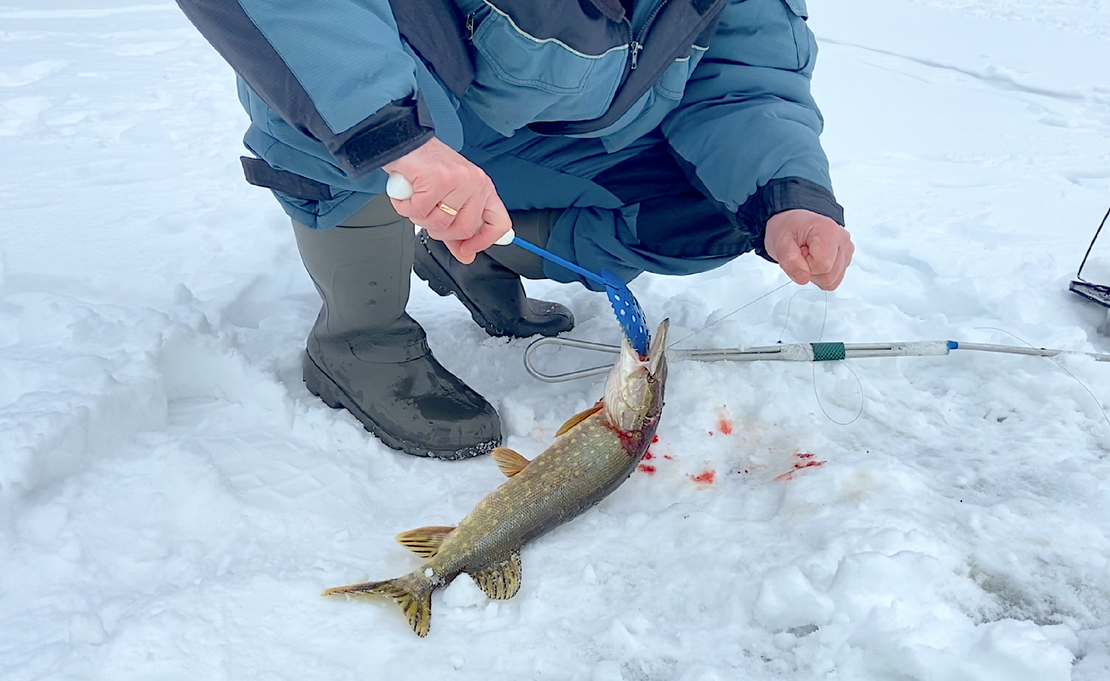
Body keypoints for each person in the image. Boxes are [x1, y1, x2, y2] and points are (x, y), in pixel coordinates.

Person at [175, 0, 855, 460]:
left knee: (721, 209)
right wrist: (397, 137)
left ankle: (469, 254)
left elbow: (745, 78)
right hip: (397, 108)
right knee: (337, 118)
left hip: (532, 142)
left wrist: (789, 194)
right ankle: (358, 338)